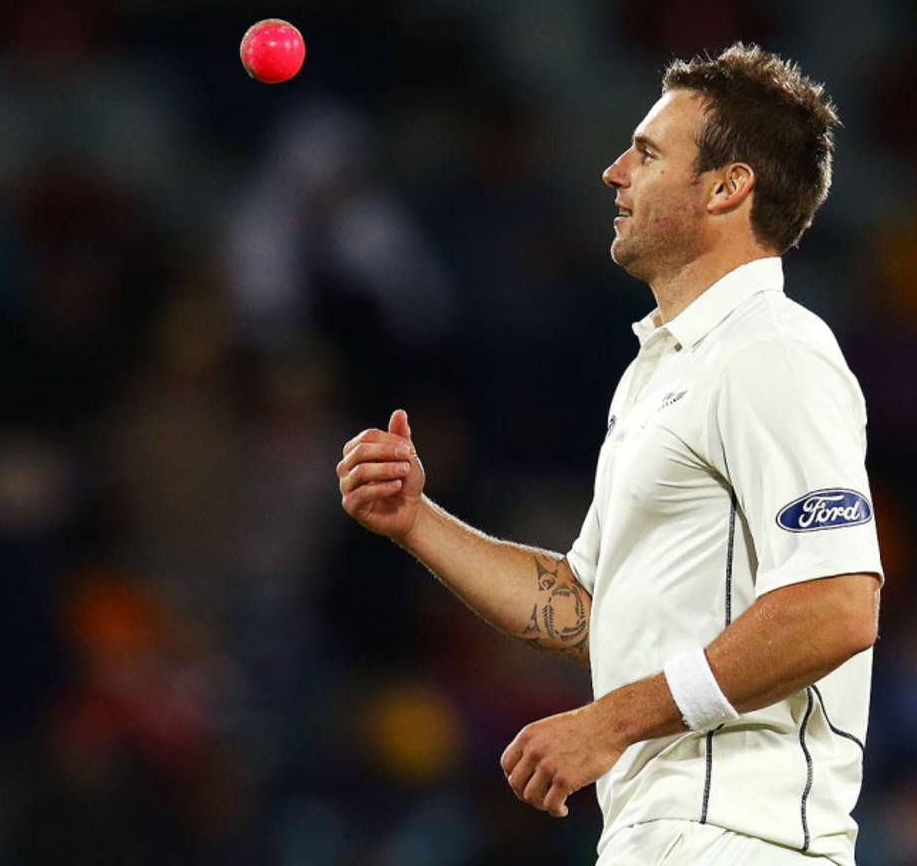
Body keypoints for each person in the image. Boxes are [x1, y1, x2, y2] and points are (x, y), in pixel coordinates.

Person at [337, 43, 883, 865]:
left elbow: (836, 605)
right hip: (664, 835)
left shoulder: (772, 350)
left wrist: (611, 721)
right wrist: (416, 521)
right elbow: (588, 606)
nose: (614, 172)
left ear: (728, 186)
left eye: (649, 154)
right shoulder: (660, 371)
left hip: (743, 836)